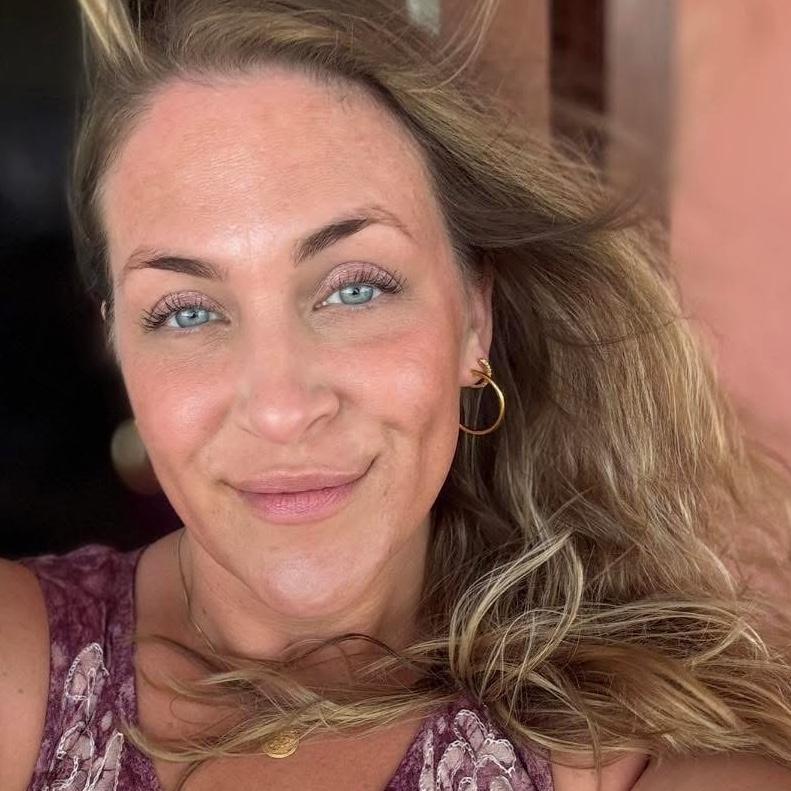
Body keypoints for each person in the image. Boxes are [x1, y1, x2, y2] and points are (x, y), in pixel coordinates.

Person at [2, 1, 791, 789]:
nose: (280, 409)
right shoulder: (23, 668)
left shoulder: (636, 762)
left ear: (473, 319)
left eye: (354, 290)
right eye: (187, 312)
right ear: (118, 342)